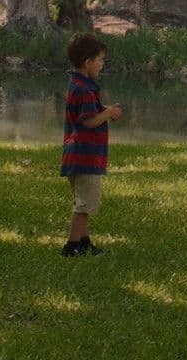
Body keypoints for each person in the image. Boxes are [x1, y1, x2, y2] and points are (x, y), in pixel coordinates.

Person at [60, 33, 122, 257]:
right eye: (100, 60)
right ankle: (71, 246)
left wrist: (104, 110)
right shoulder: (84, 89)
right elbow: (88, 121)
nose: (102, 64)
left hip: (76, 155)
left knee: (82, 202)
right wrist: (108, 113)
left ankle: (84, 242)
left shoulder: (78, 84)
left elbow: (86, 111)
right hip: (84, 156)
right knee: (84, 204)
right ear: (88, 62)